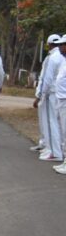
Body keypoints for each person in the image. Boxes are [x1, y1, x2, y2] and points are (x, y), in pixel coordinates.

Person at [34, 34, 63, 161]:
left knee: (51, 123)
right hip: (59, 94)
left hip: (51, 94)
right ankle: (57, 149)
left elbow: (46, 79)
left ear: (49, 44)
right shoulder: (62, 57)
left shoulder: (52, 58)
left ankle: (54, 152)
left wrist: (39, 96)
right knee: (58, 123)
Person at [52, 36, 66, 174]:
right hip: (61, 99)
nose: (60, 47)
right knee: (63, 131)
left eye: (62, 44)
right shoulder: (63, 61)